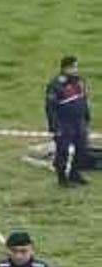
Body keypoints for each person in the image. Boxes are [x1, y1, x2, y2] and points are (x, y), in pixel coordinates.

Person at [45, 56, 91, 186]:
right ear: (66, 68)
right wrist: (54, 126)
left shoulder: (80, 81)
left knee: (82, 148)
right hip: (64, 123)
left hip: (79, 121)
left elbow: (84, 100)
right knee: (63, 151)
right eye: (73, 67)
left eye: (76, 66)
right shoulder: (56, 84)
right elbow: (50, 107)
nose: (76, 69)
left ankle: (74, 173)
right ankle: (62, 178)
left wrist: (86, 117)